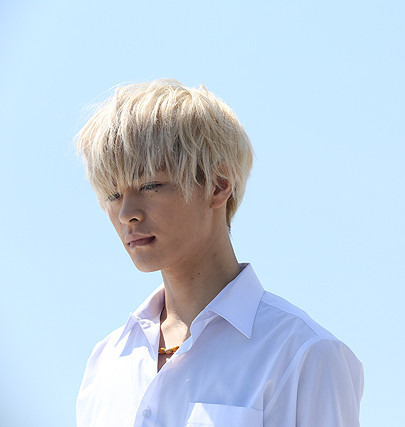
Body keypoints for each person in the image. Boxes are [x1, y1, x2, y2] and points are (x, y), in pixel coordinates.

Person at [75, 79, 364, 427]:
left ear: (218, 185)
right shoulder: (106, 362)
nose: (126, 214)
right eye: (112, 195)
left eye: (149, 185)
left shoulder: (304, 354)